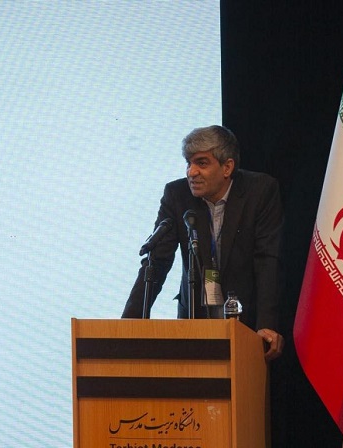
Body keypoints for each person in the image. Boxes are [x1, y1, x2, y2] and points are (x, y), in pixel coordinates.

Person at [122, 125, 285, 360]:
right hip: (194, 320)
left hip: (245, 322)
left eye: (202, 163)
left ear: (227, 167)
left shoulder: (259, 191)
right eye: (188, 163)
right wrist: (128, 324)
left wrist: (267, 324)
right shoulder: (177, 194)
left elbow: (267, 261)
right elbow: (157, 262)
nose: (191, 172)